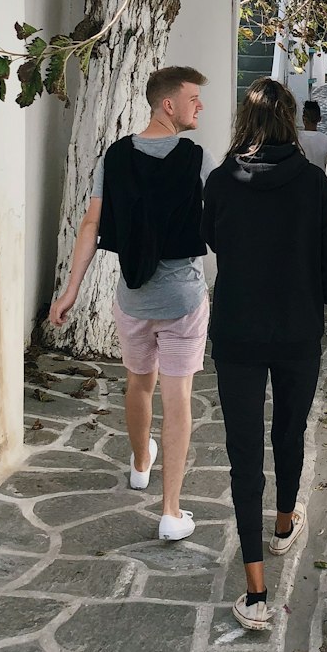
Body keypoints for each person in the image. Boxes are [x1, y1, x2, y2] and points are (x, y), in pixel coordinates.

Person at [202, 78, 327, 629]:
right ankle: (285, 524)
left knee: (244, 454)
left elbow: (210, 237)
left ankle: (256, 592)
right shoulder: (313, 185)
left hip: (237, 332)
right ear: (291, 120)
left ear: (246, 120)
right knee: (289, 431)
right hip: (296, 333)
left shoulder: (221, 180)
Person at [49, 66, 215, 544]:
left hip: (133, 298)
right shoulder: (196, 158)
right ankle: (170, 511)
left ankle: (141, 461)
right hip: (183, 297)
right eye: (193, 99)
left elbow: (89, 225)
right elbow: (220, 215)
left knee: (139, 384)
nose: (198, 106)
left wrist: (71, 290)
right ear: (169, 105)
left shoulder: (115, 156)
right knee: (177, 398)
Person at [298, 99, 327, 216]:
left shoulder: (294, 139)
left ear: (303, 118)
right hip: (319, 188)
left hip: (298, 187)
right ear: (319, 119)